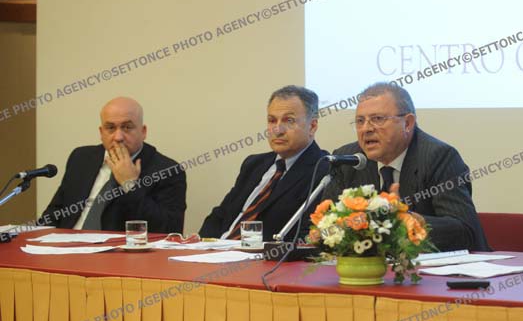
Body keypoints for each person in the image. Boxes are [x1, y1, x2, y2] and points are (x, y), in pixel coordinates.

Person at [323, 82, 489, 252]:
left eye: (377, 119)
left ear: (408, 123)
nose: (366, 129)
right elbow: (326, 227)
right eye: (360, 121)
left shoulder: (438, 157)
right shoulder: (348, 160)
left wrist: (412, 222)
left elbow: (466, 231)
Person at [200, 86, 329, 242]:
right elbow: (220, 215)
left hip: (260, 254)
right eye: (272, 120)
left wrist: (239, 249)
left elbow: (305, 234)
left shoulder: (324, 169)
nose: (278, 130)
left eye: (289, 121)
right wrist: (201, 246)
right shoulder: (254, 164)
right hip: (217, 250)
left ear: (312, 126)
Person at [41, 97, 186, 233]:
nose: (118, 137)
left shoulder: (167, 170)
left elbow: (170, 230)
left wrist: (130, 185)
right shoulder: (81, 158)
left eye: (127, 127)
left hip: (117, 250)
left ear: (143, 132)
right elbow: (54, 214)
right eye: (110, 128)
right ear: (101, 132)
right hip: (67, 245)